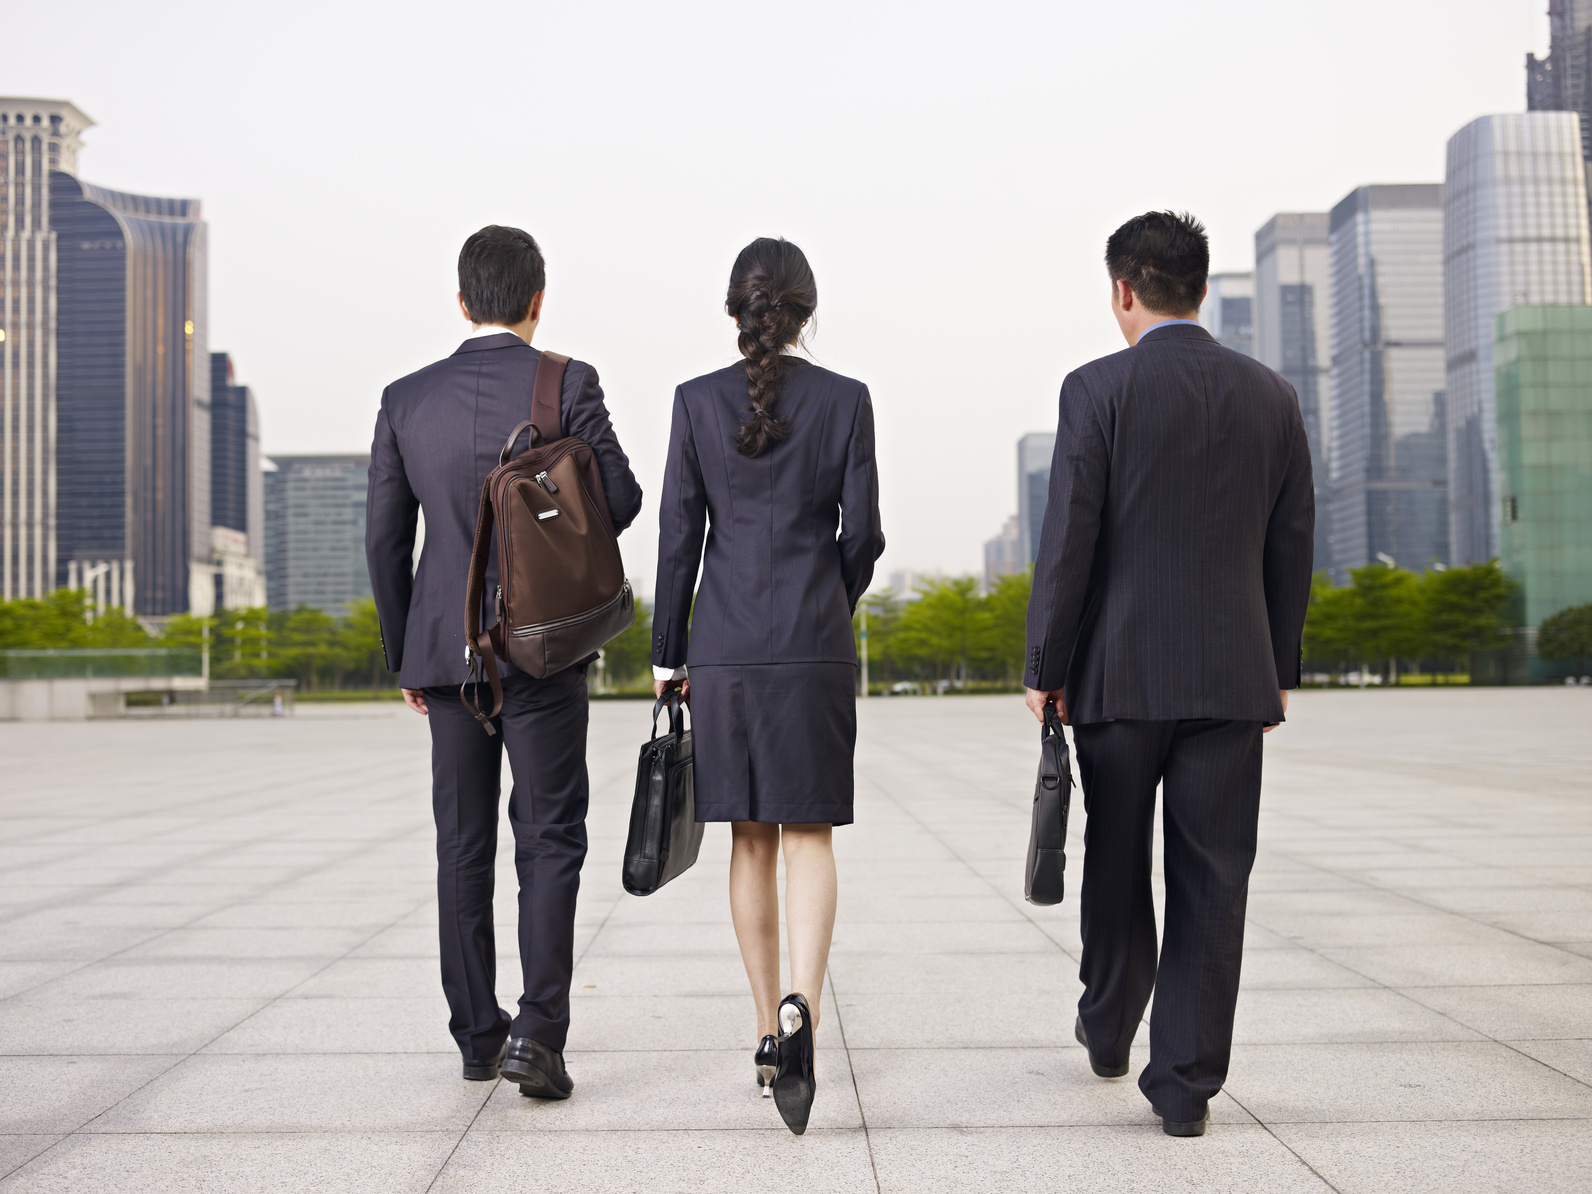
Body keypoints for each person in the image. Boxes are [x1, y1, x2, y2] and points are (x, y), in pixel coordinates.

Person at [1023, 211, 1314, 1137]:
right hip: (1232, 675)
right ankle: (1184, 1085)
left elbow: (1069, 540)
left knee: (1115, 860)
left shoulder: (1097, 389)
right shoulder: (1273, 395)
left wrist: (1045, 665)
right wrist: (1275, 670)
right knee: (1214, 877)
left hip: (1119, 674)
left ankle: (1110, 1025)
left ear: (1124, 289)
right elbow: (1292, 545)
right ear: (1199, 286)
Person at [365, 225, 642, 1100]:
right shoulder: (567, 383)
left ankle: (477, 1036)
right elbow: (623, 500)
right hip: (546, 651)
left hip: (444, 657)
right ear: (537, 299)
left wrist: (406, 647)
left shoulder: (405, 399)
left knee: (462, 846)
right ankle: (539, 1035)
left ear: (460, 300)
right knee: (551, 838)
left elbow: (383, 540)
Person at [651, 237, 884, 1135]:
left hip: (726, 649)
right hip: (814, 643)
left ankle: (761, 1032)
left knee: (749, 838)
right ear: (804, 310)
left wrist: (671, 650)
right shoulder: (847, 401)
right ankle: (803, 1013)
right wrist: (829, 597)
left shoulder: (695, 403)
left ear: (738, 309)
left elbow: (679, 538)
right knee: (810, 835)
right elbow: (862, 535)